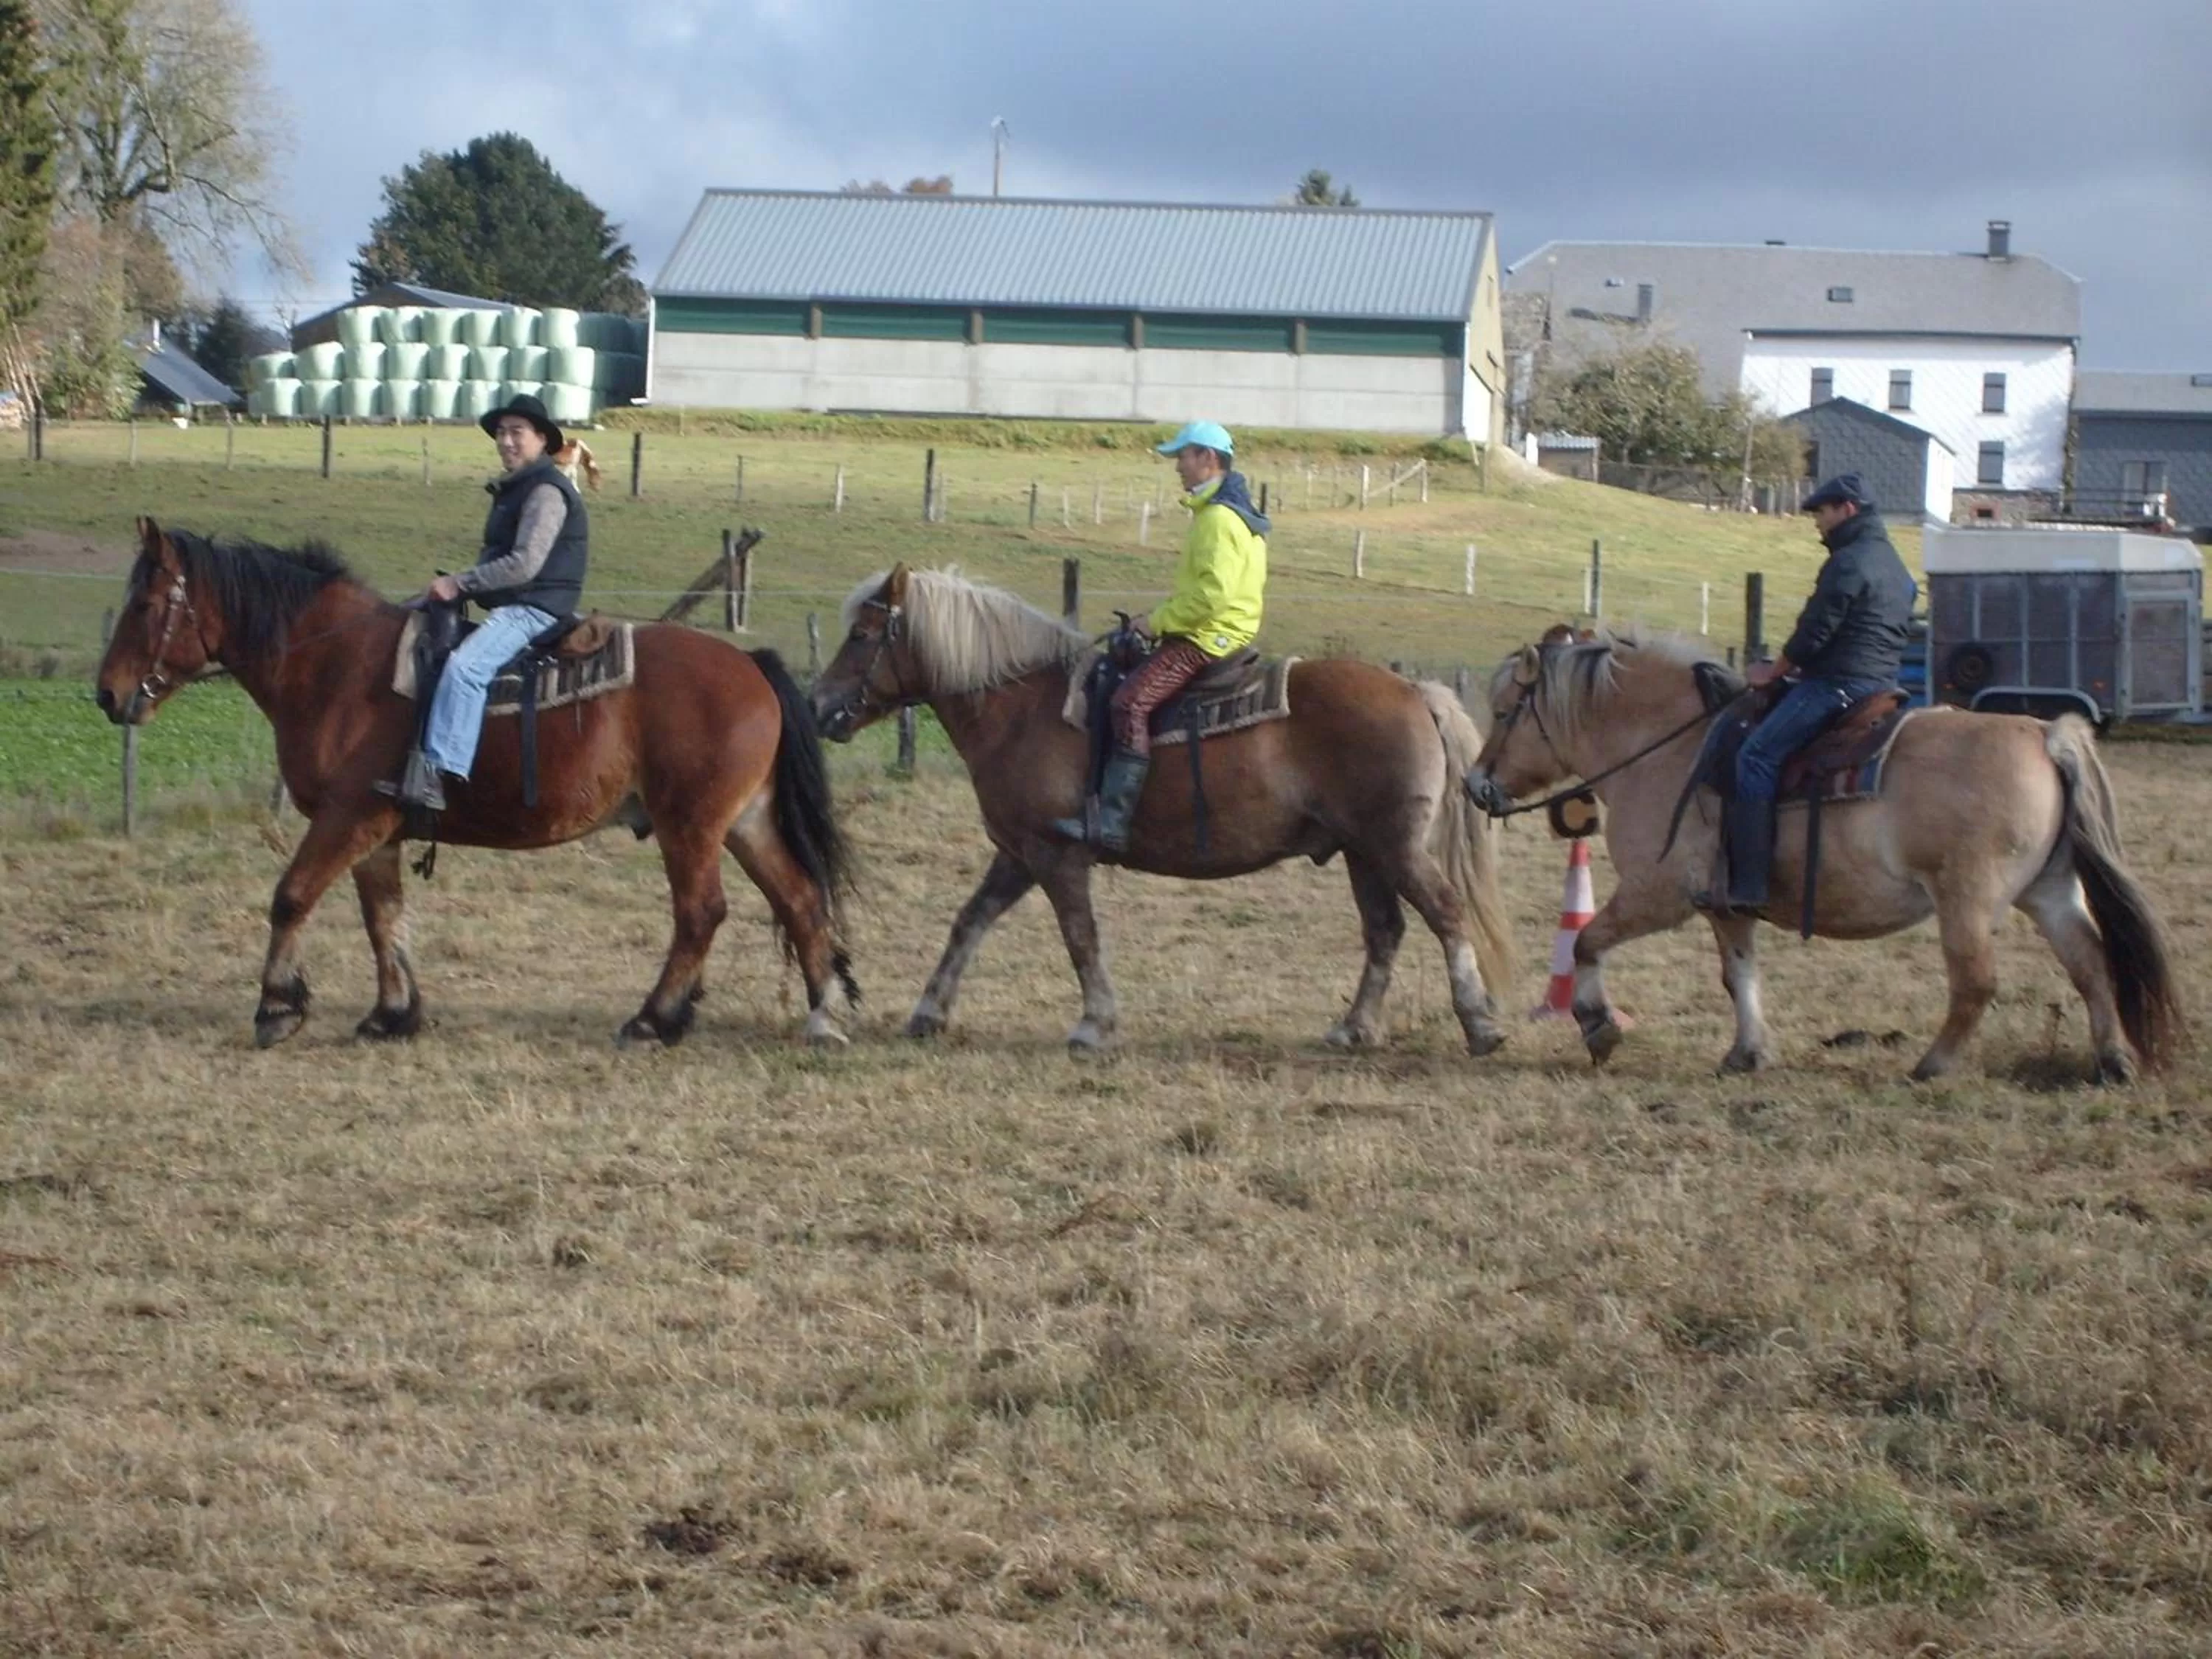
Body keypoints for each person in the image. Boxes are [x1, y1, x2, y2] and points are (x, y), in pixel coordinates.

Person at [1053, 419, 1269, 852]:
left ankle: (1112, 821)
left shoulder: (1219, 520)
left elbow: (1211, 596)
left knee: (1128, 701)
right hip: (1220, 630)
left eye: (1182, 458)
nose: (1177, 468)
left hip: (1209, 637)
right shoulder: (1232, 512)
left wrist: (1154, 622)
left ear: (1208, 459)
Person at [1708, 471, 1918, 912]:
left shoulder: (1848, 562)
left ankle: (1750, 884)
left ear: (1847, 509)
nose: (1817, 522)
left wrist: (1773, 672)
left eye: (1822, 512)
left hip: (1837, 685)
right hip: (1882, 685)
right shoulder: (1896, 566)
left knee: (1756, 756)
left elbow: (1814, 634)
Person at [390, 392, 590, 813]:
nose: (506, 441)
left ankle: (438, 774)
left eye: (517, 432)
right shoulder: (520, 488)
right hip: (517, 603)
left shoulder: (546, 492)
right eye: (501, 433)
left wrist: (461, 583)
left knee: (466, 669)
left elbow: (524, 564)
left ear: (541, 440)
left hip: (536, 607)